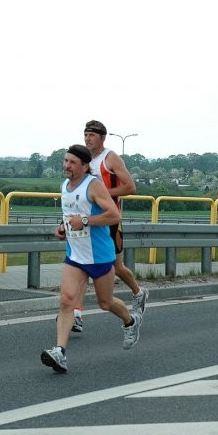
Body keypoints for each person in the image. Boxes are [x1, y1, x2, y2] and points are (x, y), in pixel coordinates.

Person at [41, 144, 142, 373]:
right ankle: (60, 352)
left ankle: (131, 321)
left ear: (85, 166)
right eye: (65, 161)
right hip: (75, 255)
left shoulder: (93, 185)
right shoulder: (64, 186)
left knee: (105, 303)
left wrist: (85, 221)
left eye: (72, 162)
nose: (67, 165)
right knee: (66, 300)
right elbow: (70, 214)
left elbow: (114, 215)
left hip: (99, 256)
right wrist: (62, 227)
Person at [66, 119, 149, 333]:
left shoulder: (110, 158)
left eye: (92, 135)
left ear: (102, 138)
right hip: (87, 221)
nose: (87, 139)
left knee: (117, 267)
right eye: (85, 135)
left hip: (109, 220)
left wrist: (99, 193)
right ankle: (77, 315)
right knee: (82, 265)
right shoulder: (83, 160)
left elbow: (130, 187)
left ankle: (138, 292)